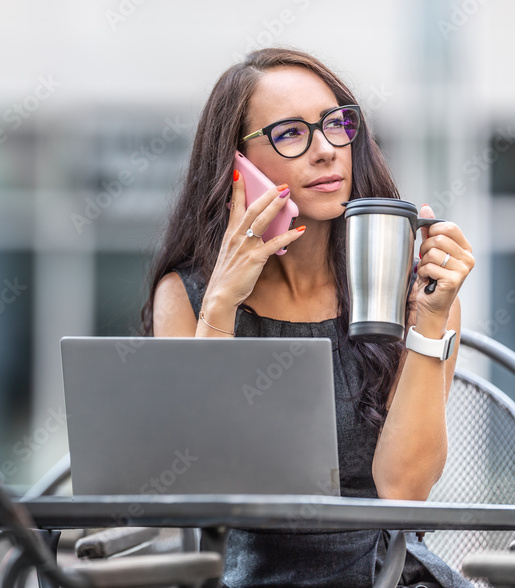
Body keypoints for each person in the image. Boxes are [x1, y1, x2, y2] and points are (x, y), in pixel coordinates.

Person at [140, 48, 476, 587]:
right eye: (291, 133)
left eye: (335, 125)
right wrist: (222, 306)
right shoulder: (189, 296)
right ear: (237, 166)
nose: (326, 151)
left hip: (391, 576)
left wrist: (430, 321)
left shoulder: (413, 288)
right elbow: (194, 481)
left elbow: (405, 492)